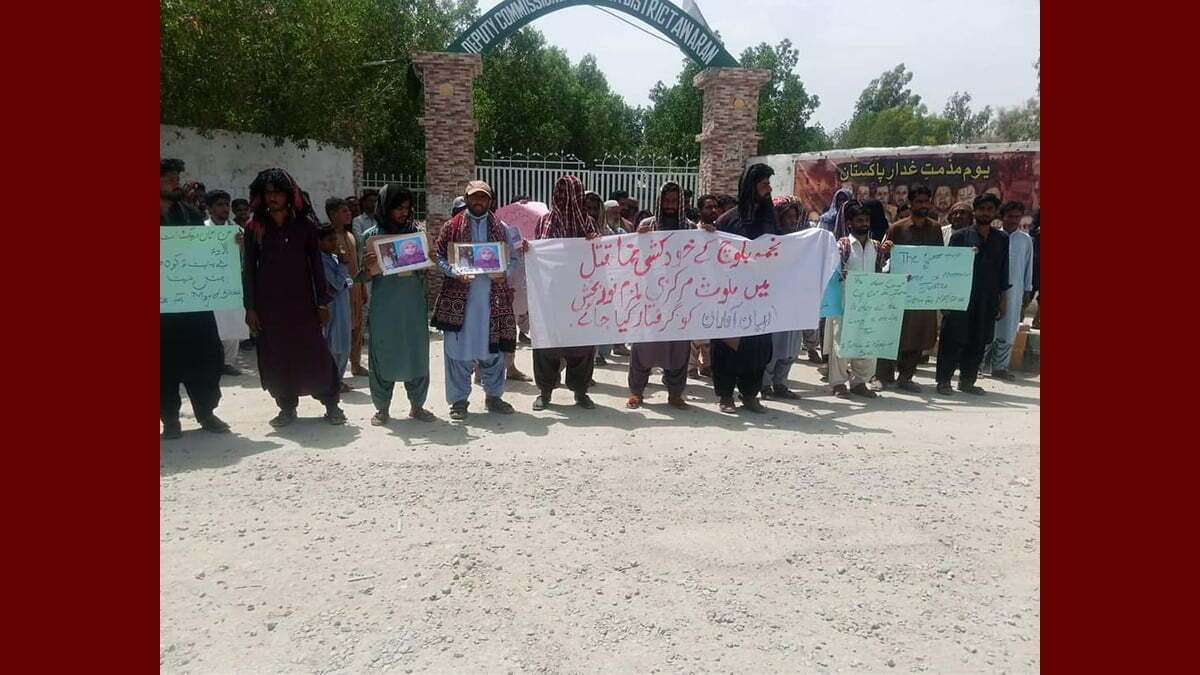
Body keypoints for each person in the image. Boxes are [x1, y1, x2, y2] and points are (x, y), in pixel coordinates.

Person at [242, 168, 345, 426]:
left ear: (289, 196)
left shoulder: (305, 227)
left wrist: (322, 302)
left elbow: (316, 267)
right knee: (277, 356)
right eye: (268, 194)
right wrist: (250, 307)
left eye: (277, 193)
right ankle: (287, 407)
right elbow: (249, 270)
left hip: (303, 305)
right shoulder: (255, 228)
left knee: (315, 354)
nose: (272, 198)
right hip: (269, 307)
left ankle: (331, 404)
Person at [433, 180, 519, 420]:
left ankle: (494, 397)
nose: (479, 202)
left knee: (493, 353)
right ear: (467, 199)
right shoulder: (451, 227)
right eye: (474, 197)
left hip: (493, 300)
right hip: (461, 300)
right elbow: (439, 256)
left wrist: (505, 274)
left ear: (491, 201)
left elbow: (512, 259)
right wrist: (453, 272)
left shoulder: (502, 228)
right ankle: (459, 401)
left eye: (483, 198)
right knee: (458, 352)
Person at [160, 158, 227, 439]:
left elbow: (204, 252)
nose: (176, 181)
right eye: (168, 177)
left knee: (206, 356)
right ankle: (170, 420)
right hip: (161, 309)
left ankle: (206, 412)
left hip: (193, 302)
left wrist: (226, 244)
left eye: (177, 176)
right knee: (163, 362)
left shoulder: (189, 214)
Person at [357, 184, 435, 425]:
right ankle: (382, 408)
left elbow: (425, 271)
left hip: (412, 304)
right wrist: (367, 265)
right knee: (383, 353)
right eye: (397, 208)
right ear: (385, 208)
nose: (403, 212)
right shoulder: (371, 236)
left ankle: (417, 405)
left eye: (406, 208)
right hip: (385, 307)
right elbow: (363, 277)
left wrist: (426, 259)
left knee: (416, 352)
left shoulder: (416, 234)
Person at [710, 164, 779, 414]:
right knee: (728, 346)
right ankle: (726, 395)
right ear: (751, 187)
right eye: (764, 185)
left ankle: (750, 394)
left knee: (758, 347)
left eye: (769, 184)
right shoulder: (728, 220)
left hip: (760, 296)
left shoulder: (771, 219)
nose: (769, 189)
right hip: (732, 296)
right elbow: (712, 251)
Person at [531, 175, 601, 411]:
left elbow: (597, 256)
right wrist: (529, 250)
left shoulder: (588, 224)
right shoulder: (544, 222)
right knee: (547, 345)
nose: (567, 200)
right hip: (551, 295)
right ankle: (545, 391)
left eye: (573, 194)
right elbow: (539, 254)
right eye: (562, 194)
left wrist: (594, 243)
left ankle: (580, 392)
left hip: (581, 296)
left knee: (581, 346)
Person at [625, 182, 695, 410]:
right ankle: (637, 391)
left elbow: (701, 257)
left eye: (675, 201)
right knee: (644, 347)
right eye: (666, 201)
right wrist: (639, 238)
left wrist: (709, 235)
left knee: (678, 349)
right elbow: (631, 259)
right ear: (659, 201)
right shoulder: (647, 226)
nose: (670, 206)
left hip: (679, 299)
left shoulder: (690, 229)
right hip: (650, 298)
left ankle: (675, 394)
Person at [935, 193, 1010, 395]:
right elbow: (947, 268)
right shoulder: (960, 236)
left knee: (979, 338)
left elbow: (1004, 271)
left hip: (987, 298)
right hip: (960, 297)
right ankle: (944, 380)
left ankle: (967, 381)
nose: (985, 212)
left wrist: (1003, 301)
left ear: (995, 212)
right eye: (982, 209)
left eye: (989, 209)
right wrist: (946, 299)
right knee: (952, 338)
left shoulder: (1001, 239)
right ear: (975, 211)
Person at [875, 185, 944, 392]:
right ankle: (882, 376)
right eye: (919, 201)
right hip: (898, 290)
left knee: (918, 334)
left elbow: (938, 259)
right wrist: (885, 249)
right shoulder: (897, 228)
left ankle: (906, 377)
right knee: (891, 332)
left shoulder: (935, 229)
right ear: (911, 203)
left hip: (922, 292)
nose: (923, 205)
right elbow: (884, 258)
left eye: (926, 201)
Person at [825, 201, 882, 398]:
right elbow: (833, 270)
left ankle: (859, 382)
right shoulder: (843, 245)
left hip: (870, 304)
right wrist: (843, 274)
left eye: (866, 220)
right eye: (859, 220)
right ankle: (839, 383)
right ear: (850, 223)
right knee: (841, 343)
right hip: (845, 303)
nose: (864, 224)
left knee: (866, 343)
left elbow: (882, 271)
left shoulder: (877, 246)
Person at [759, 196, 807, 400]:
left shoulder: (803, 242)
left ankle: (781, 383)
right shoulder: (770, 241)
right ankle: (765, 384)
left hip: (795, 301)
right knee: (773, 346)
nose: (792, 221)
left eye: (795, 217)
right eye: (787, 217)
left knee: (791, 347)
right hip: (773, 301)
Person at [203, 189, 249, 376]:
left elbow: (247, 259)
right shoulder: (202, 230)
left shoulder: (238, 231)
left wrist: (242, 245)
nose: (225, 209)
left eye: (226, 205)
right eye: (220, 205)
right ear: (210, 209)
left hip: (232, 284)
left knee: (233, 322)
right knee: (212, 324)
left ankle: (228, 362)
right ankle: (210, 362)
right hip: (209, 284)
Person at [986, 201, 1033, 380]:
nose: (1013, 220)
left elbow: (1028, 267)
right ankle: (982, 365)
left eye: (1017, 217)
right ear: (1002, 216)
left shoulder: (1025, 240)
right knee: (989, 326)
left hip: (1015, 291)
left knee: (1008, 328)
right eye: (1010, 216)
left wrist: (1027, 290)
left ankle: (1000, 367)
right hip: (991, 289)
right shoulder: (993, 236)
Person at [325, 197, 368, 379]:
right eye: (345, 211)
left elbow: (357, 264)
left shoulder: (350, 236)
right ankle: (334, 375)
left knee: (357, 326)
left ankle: (356, 364)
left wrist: (363, 287)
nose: (349, 214)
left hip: (355, 287)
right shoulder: (328, 239)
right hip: (338, 292)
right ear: (333, 214)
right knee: (338, 333)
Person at [688, 194, 721, 378]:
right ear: (700, 211)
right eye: (708, 207)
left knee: (710, 329)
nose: (713, 210)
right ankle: (691, 366)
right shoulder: (692, 231)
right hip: (696, 286)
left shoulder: (723, 232)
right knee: (695, 331)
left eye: (715, 207)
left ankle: (707, 365)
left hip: (716, 288)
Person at [317, 226, 354, 391]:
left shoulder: (332, 258)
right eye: (329, 240)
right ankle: (331, 380)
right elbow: (338, 283)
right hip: (331, 307)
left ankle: (337, 379)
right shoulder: (321, 261)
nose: (334, 243)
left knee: (344, 343)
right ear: (320, 242)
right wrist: (343, 264)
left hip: (342, 305)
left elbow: (347, 282)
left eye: (335, 239)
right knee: (333, 344)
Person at [1029, 210, 1040, 329]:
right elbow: (1032, 230)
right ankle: (1018, 320)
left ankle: (1037, 321)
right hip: (1036, 262)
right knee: (1027, 294)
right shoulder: (1038, 214)